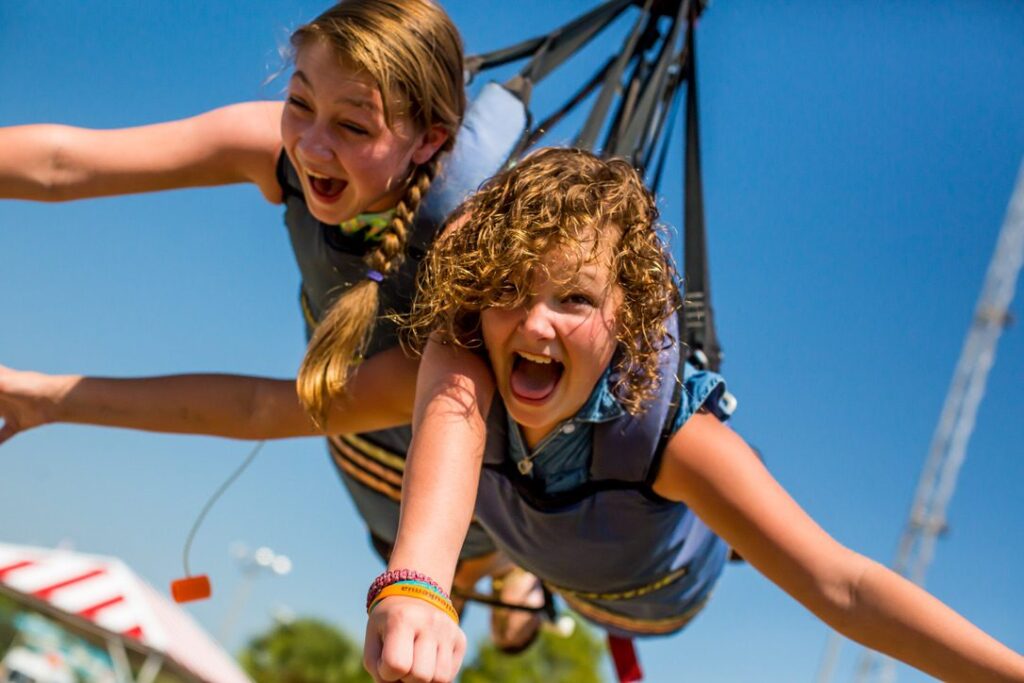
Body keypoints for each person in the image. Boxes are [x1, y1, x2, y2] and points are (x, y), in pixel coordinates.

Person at [361, 147, 1024, 683]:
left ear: (627, 317)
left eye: (575, 298)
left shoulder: (675, 445)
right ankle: (520, 574)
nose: (535, 322)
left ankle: (681, 523)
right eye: (509, 289)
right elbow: (285, 410)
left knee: (724, 480)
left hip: (656, 586)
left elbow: (843, 586)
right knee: (476, 511)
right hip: (548, 541)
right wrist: (414, 590)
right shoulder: (463, 365)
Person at [0, 0, 539, 649]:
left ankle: (517, 580)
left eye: (353, 126)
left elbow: (263, 407)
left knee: (476, 563)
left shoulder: (459, 264)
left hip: (459, 491)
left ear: (428, 138)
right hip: (352, 449)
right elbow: (65, 164)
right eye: (300, 101)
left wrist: (49, 399)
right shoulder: (282, 151)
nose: (313, 145)